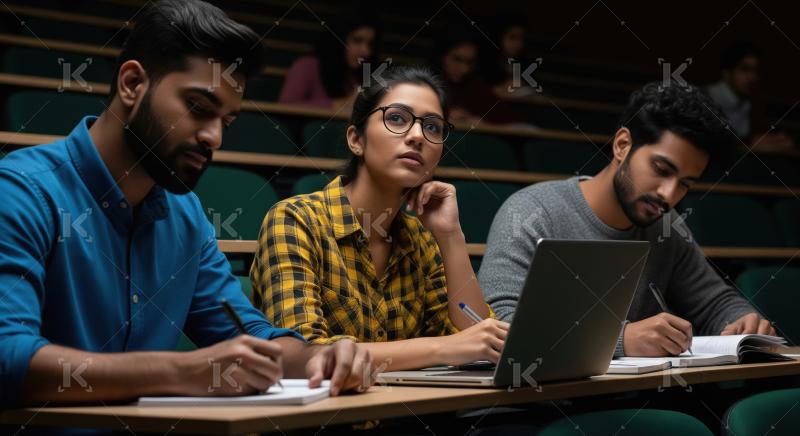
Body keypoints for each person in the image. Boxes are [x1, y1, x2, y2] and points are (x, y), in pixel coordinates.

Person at [0, 0, 371, 409]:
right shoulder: (22, 192)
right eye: (198, 108)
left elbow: (249, 334)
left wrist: (319, 356)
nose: (214, 138)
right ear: (131, 84)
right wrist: (183, 371)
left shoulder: (187, 215)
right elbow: (7, 358)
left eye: (226, 122)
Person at [479, 82, 775, 358]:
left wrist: (742, 322)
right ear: (622, 145)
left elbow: (714, 301)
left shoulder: (666, 228)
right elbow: (498, 326)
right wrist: (621, 340)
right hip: (537, 403)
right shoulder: (532, 212)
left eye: (686, 183)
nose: (669, 195)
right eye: (661, 169)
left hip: (625, 399)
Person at [251, 66, 509, 371]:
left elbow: (479, 342)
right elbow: (304, 355)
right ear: (356, 140)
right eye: (397, 118)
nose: (417, 136)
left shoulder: (422, 238)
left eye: (433, 127)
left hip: (408, 413)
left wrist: (451, 236)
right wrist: (441, 348)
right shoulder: (295, 221)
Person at [706, 41, 795, 151]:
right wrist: (754, 147)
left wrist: (767, 141)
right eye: (744, 70)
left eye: (755, 71)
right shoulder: (708, 98)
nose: (752, 77)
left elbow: (738, 139)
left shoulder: (743, 100)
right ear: (727, 73)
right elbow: (714, 148)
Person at [278, 16, 379, 110]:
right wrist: (339, 105)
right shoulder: (307, 65)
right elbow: (286, 104)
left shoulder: (356, 73)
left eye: (370, 44)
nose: (366, 51)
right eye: (357, 41)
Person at [434, 32, 526, 126]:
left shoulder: (474, 84)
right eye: (457, 59)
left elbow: (515, 122)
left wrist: (481, 122)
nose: (464, 69)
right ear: (442, 57)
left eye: (470, 62)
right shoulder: (428, 83)